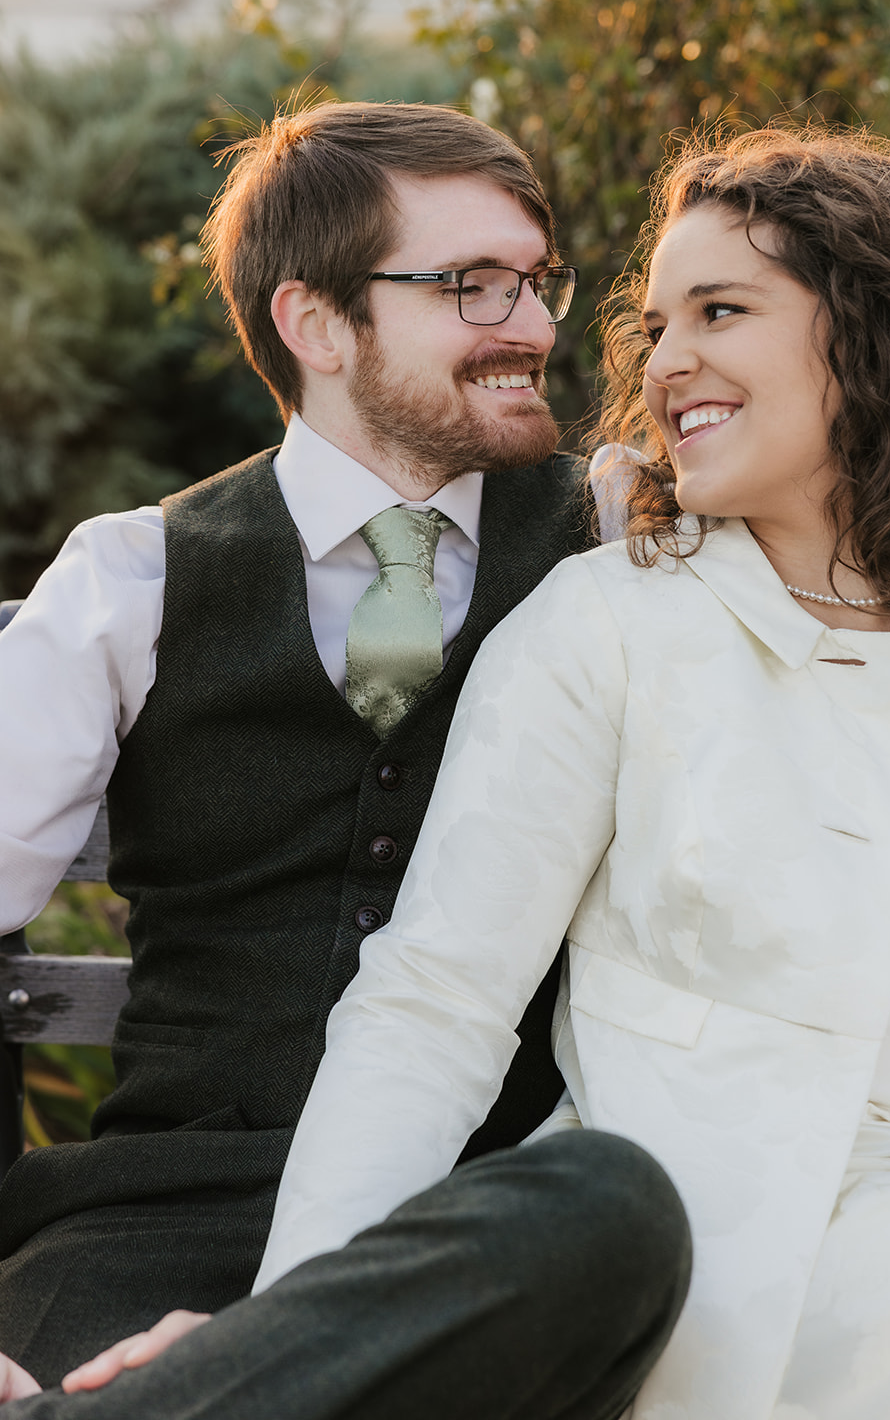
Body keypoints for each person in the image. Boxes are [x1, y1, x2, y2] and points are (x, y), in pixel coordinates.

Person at [81, 123, 890, 1420]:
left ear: (876, 337)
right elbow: (432, 1006)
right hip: (723, 1237)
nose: (667, 364)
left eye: (721, 310)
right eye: (656, 326)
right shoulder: (608, 625)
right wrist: (296, 1344)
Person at [0, 100, 683, 1388]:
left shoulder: (621, 535)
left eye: (538, 282)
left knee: (614, 1216)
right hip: (152, 1224)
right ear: (315, 323)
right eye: (472, 287)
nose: (533, 326)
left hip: (472, 1227)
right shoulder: (133, 580)